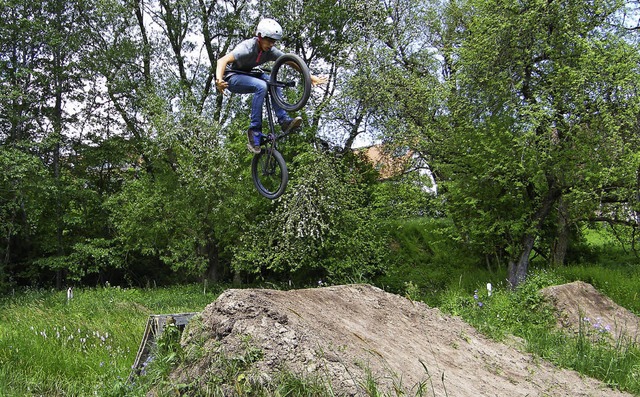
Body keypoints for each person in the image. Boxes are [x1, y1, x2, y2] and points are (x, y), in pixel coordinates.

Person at [216, 18, 327, 154]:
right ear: (260, 36)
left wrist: (310, 77)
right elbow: (222, 60)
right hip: (231, 78)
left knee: (272, 81)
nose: (271, 44)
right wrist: (218, 80)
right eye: (269, 41)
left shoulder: (271, 51)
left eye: (274, 42)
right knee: (261, 86)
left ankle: (284, 121)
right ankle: (254, 132)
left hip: (250, 75)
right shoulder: (247, 48)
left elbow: (291, 62)